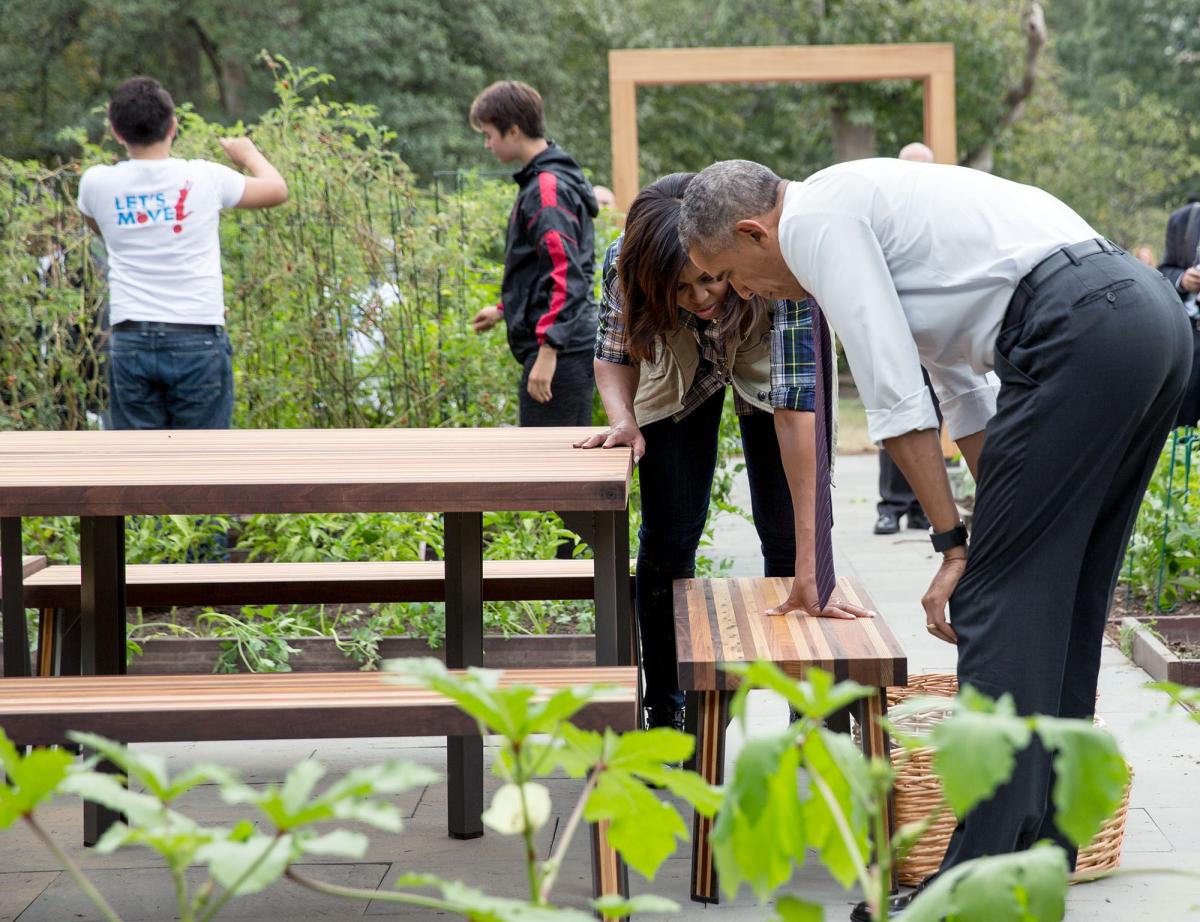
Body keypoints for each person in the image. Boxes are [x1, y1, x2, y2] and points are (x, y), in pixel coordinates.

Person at [678, 158, 1189, 920]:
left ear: (755, 232)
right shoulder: (869, 206)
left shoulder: (814, 222)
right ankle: (1041, 854)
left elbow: (894, 396)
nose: (742, 294)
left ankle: (971, 887)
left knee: (999, 603)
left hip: (1079, 328)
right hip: (1144, 321)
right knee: (1061, 597)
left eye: (730, 272)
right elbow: (965, 391)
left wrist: (956, 546)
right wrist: (993, 539)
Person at [575, 172, 869, 730]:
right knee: (668, 534)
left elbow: (796, 406)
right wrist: (624, 420)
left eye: (708, 279)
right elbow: (612, 351)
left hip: (761, 323)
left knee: (788, 533)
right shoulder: (625, 260)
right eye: (681, 288)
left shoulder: (779, 262)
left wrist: (814, 550)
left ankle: (811, 711)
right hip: (677, 352)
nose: (701, 297)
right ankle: (666, 708)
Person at [77, 76, 288, 430]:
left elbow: (99, 226)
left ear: (116, 132)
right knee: (203, 470)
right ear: (173, 126)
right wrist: (249, 153)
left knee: (139, 469)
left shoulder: (96, 183)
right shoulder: (204, 177)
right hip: (197, 337)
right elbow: (277, 190)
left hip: (130, 339)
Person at [468, 81, 599, 428]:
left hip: (561, 351)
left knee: (554, 475)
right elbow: (541, 269)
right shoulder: (544, 180)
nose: (487, 143)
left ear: (513, 131)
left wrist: (548, 352)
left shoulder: (546, 188)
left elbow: (566, 274)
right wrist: (502, 310)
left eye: (489, 134)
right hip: (564, 344)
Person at [874, 142, 939, 535]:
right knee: (897, 413)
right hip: (895, 327)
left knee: (933, 414)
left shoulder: (942, 212)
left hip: (937, 331)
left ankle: (921, 507)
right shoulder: (883, 214)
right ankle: (891, 505)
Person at [1158, 199, 1200, 427]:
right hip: (1191, 333)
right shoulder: (1185, 219)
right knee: (1182, 421)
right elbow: (1164, 270)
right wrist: (1183, 279)